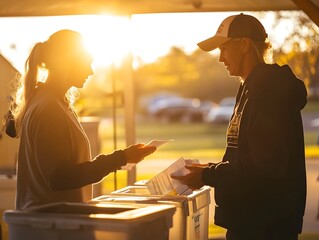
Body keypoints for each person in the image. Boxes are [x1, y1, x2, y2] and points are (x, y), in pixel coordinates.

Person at [172, 13, 307, 240]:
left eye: (224, 49)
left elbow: (263, 166)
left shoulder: (269, 91)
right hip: (248, 221)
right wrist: (211, 169)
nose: (220, 58)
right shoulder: (250, 87)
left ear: (244, 45)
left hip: (266, 227)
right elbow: (246, 155)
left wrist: (208, 175)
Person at [11, 29, 156, 210]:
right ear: (66, 63)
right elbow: (60, 178)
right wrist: (120, 158)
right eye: (86, 63)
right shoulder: (49, 109)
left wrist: (122, 158)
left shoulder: (54, 103)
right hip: (49, 226)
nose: (91, 71)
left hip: (56, 222)